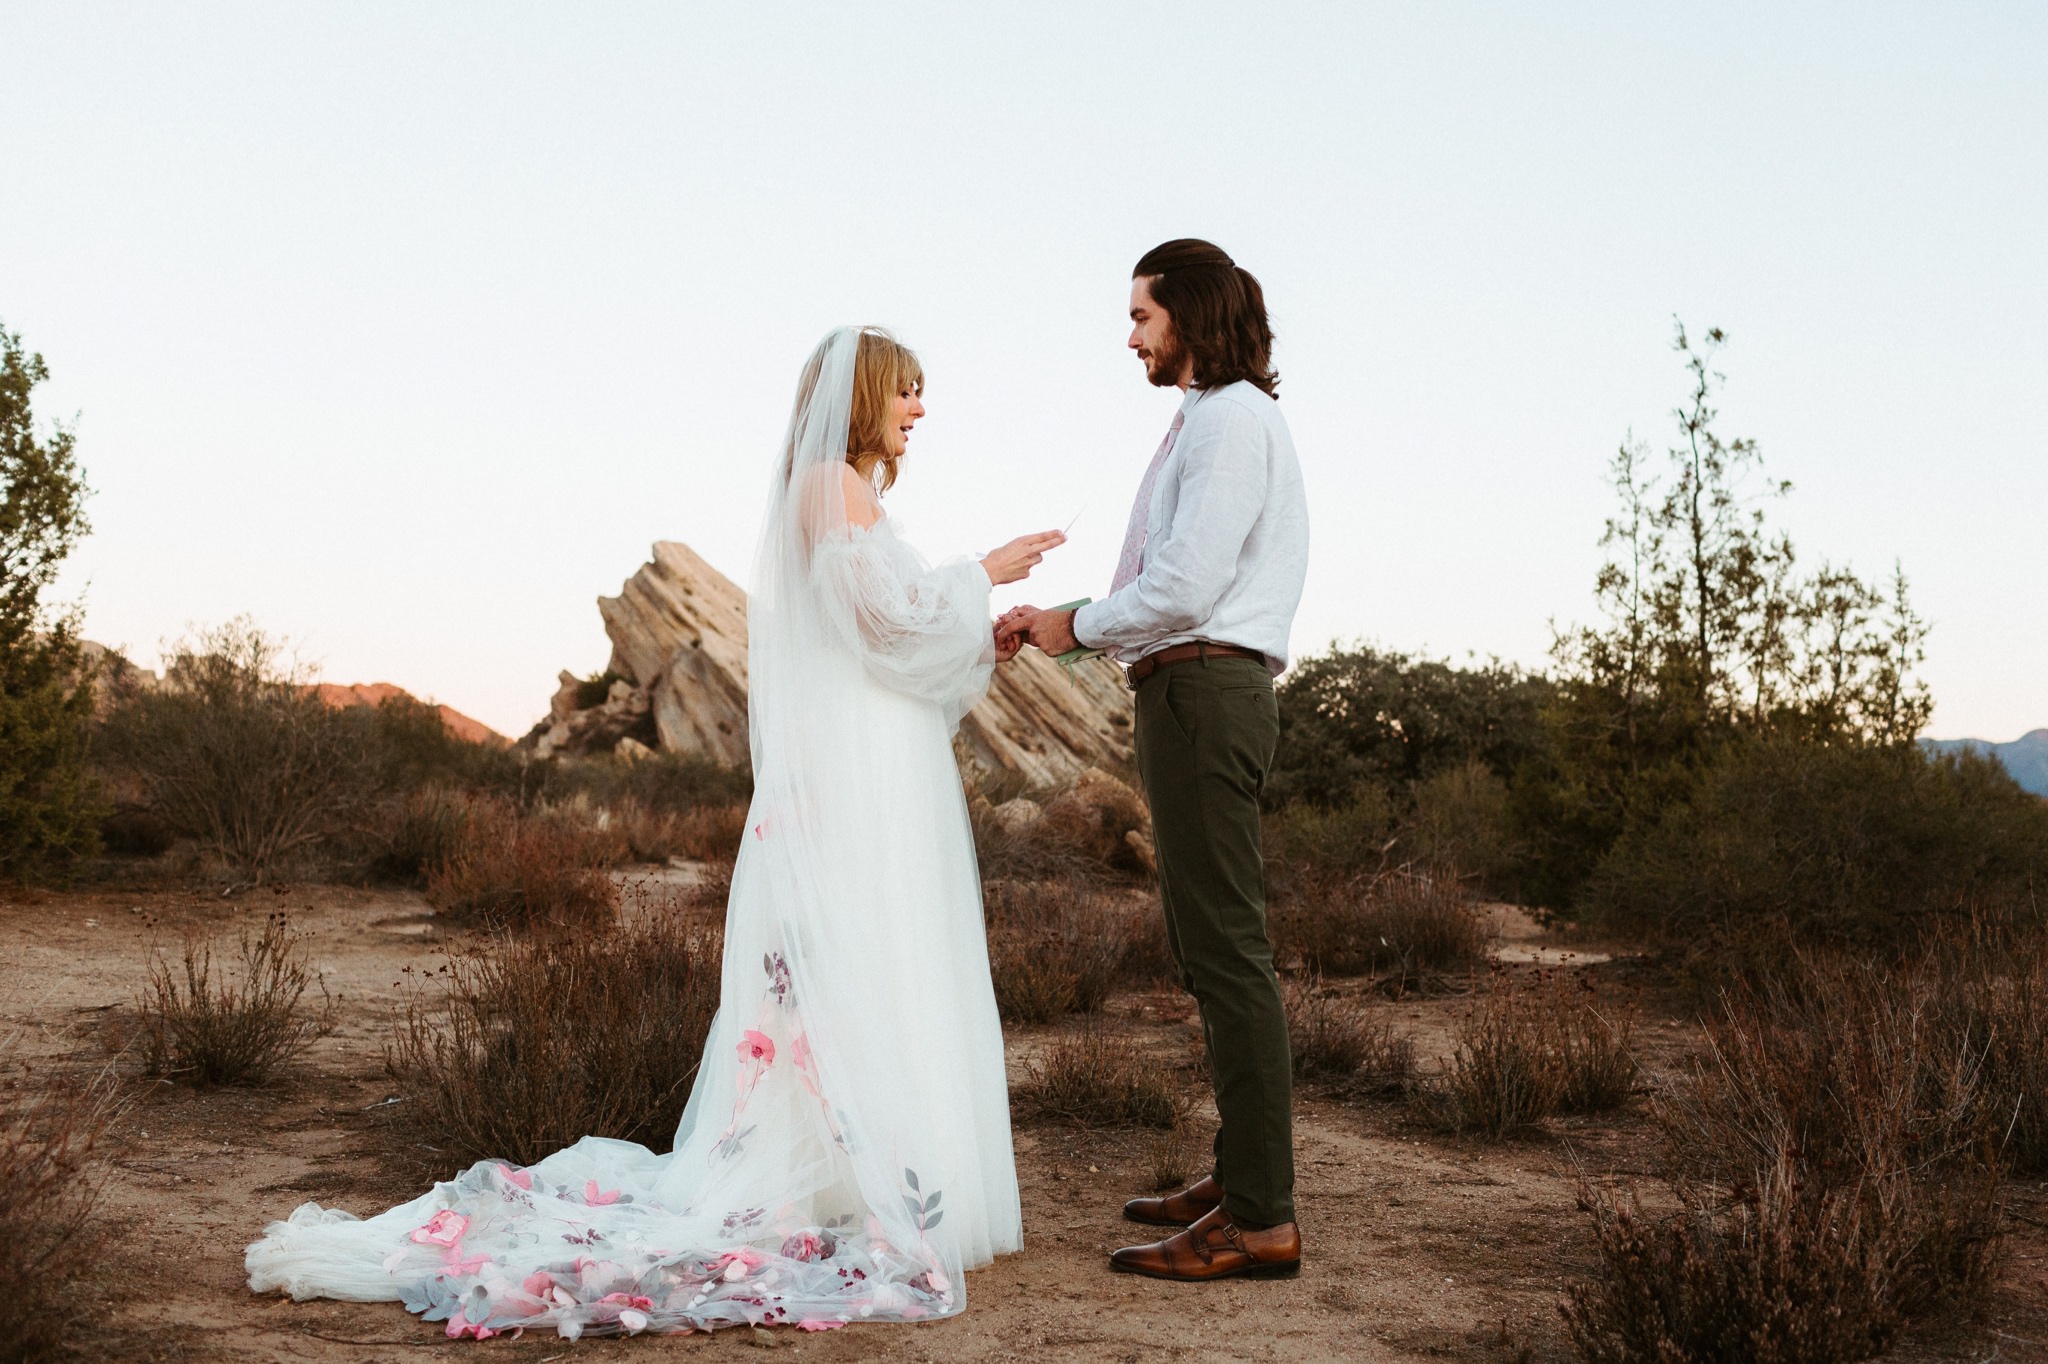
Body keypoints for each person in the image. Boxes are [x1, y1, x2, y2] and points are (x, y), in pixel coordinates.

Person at [246, 327, 1064, 1338]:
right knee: (849, 958)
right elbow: (884, 621)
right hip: (854, 776)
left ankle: (878, 1174)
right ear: (857, 396)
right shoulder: (825, 484)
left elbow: (890, 641)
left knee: (886, 955)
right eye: (907, 389)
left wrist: (980, 628)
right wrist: (979, 571)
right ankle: (836, 1175)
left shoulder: (858, 497)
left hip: (882, 761)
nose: (919, 410)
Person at [999, 239, 1309, 1282]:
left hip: (1205, 686)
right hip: (1183, 686)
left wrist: (1071, 621)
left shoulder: (1227, 421)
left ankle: (1262, 1213)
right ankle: (1241, 1173)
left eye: (1141, 314)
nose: (1129, 333)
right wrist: (1073, 620)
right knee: (1204, 938)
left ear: (1189, 312)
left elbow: (1179, 585)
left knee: (1226, 948)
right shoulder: (1207, 421)